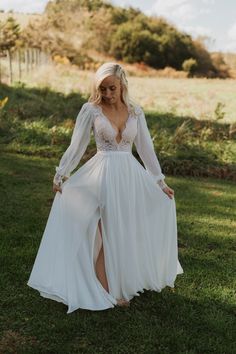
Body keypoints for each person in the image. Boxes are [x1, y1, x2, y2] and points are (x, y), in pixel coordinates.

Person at [27, 62, 184, 313]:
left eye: (112, 88)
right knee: (99, 228)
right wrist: (62, 173)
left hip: (129, 176)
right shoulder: (91, 110)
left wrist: (159, 181)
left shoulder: (135, 111)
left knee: (121, 229)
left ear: (123, 85)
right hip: (100, 174)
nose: (108, 94)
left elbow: (145, 149)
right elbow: (76, 145)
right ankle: (105, 289)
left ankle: (121, 280)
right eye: (103, 89)